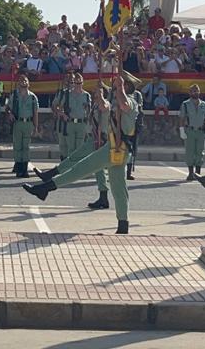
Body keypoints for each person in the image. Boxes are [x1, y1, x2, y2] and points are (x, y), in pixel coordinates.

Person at [23, 72, 139, 235]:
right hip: (116, 147)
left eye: (118, 83)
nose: (114, 84)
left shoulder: (131, 101)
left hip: (116, 148)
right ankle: (123, 224)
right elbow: (109, 105)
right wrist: (103, 93)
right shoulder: (117, 98)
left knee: (81, 168)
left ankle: (46, 188)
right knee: (119, 188)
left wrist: (119, 88)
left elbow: (125, 105)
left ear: (126, 86)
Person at [6, 74, 39, 178]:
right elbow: (8, 107)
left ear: (28, 83)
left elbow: (35, 113)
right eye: (21, 80)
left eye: (25, 80)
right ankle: (19, 168)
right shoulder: (14, 95)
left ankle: (24, 169)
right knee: (17, 146)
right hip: (18, 123)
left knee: (26, 147)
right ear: (18, 83)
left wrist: (36, 127)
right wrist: (10, 113)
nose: (23, 82)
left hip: (28, 123)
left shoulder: (33, 97)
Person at [179, 84, 205, 181]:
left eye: (197, 90)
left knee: (200, 152)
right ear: (189, 92)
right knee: (190, 152)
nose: (195, 92)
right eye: (193, 91)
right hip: (190, 130)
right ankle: (190, 173)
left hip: (201, 131)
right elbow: (182, 117)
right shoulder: (185, 104)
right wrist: (181, 130)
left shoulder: (204, 105)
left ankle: (198, 173)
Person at [58, 72, 93, 162]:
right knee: (71, 147)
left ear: (83, 83)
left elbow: (89, 111)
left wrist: (89, 125)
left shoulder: (86, 95)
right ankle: (70, 166)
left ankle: (77, 167)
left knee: (79, 147)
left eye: (80, 83)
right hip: (70, 123)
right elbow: (59, 108)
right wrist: (63, 115)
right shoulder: (67, 94)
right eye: (76, 83)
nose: (78, 85)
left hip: (81, 123)